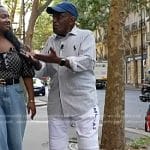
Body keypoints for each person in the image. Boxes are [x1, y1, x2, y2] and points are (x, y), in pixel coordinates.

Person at [33, 1, 100, 150]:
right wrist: (36, 62)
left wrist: (60, 60)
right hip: (57, 106)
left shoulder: (85, 36)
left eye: (60, 17)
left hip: (83, 105)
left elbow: (88, 61)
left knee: (89, 147)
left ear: (72, 19)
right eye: (53, 18)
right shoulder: (51, 41)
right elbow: (45, 71)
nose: (54, 21)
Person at [0, 5, 37, 150]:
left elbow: (27, 74)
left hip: (15, 94)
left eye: (8, 17)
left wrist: (32, 100)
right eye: (3, 17)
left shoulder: (17, 46)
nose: (8, 20)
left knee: (15, 143)